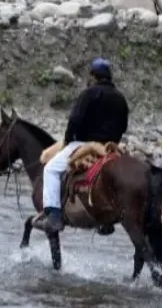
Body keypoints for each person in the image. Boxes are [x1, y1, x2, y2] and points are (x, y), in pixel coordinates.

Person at [33, 57, 130, 233]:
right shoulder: (120, 98)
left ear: (93, 76)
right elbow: (123, 126)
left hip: (84, 144)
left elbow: (75, 121)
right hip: (109, 147)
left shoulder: (89, 94)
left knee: (51, 170)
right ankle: (107, 219)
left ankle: (53, 215)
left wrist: (68, 141)